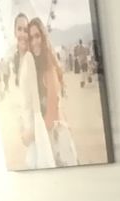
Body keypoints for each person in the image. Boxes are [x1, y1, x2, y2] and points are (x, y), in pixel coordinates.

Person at [28, 17, 77, 167]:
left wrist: (31, 135)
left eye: (37, 36)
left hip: (58, 141)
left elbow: (51, 115)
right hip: (50, 138)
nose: (35, 41)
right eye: (31, 38)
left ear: (43, 37)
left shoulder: (49, 69)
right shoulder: (39, 68)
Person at [13, 12, 54, 169]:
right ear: (14, 32)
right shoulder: (20, 61)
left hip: (34, 130)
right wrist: (22, 129)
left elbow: (36, 103)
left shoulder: (29, 58)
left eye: (25, 30)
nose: (23, 34)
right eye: (20, 29)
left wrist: (33, 132)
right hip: (27, 128)